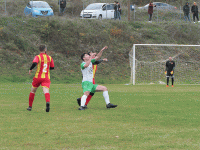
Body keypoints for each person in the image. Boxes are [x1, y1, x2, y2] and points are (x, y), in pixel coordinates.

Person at [27, 45, 54, 112]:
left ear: (39, 50)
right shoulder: (49, 58)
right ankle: (47, 102)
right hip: (46, 77)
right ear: (45, 50)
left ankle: (30, 106)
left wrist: (30, 69)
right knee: (46, 91)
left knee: (33, 91)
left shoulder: (38, 56)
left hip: (37, 77)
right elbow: (52, 67)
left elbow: (35, 63)